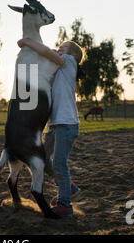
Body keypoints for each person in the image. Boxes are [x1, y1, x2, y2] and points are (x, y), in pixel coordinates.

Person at [17, 38, 86, 216]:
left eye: (63, 48)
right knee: (43, 159)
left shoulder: (70, 63)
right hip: (55, 125)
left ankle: (65, 205)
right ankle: (68, 187)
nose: (59, 49)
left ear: (74, 55)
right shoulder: (58, 71)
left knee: (60, 165)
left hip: (67, 124)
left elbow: (47, 52)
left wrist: (28, 42)